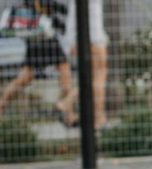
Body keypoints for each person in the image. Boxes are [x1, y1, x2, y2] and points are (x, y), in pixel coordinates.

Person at [0, 0, 73, 122]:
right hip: (44, 35)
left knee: (25, 76)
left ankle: (1, 104)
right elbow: (47, 5)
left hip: (36, 35)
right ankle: (68, 113)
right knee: (64, 72)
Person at [57, 0, 109, 129]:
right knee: (99, 75)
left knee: (93, 76)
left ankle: (97, 116)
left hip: (79, 32)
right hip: (91, 32)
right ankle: (98, 118)